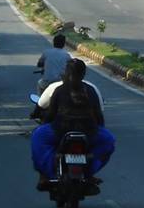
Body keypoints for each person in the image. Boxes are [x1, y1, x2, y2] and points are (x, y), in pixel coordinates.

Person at [31, 58, 115, 189]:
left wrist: (44, 125)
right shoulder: (90, 90)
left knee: (37, 137)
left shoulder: (59, 90)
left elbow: (51, 114)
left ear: (67, 73)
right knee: (109, 140)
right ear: (83, 74)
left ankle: (47, 173)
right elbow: (99, 116)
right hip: (88, 131)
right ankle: (89, 170)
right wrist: (99, 129)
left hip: (61, 130)